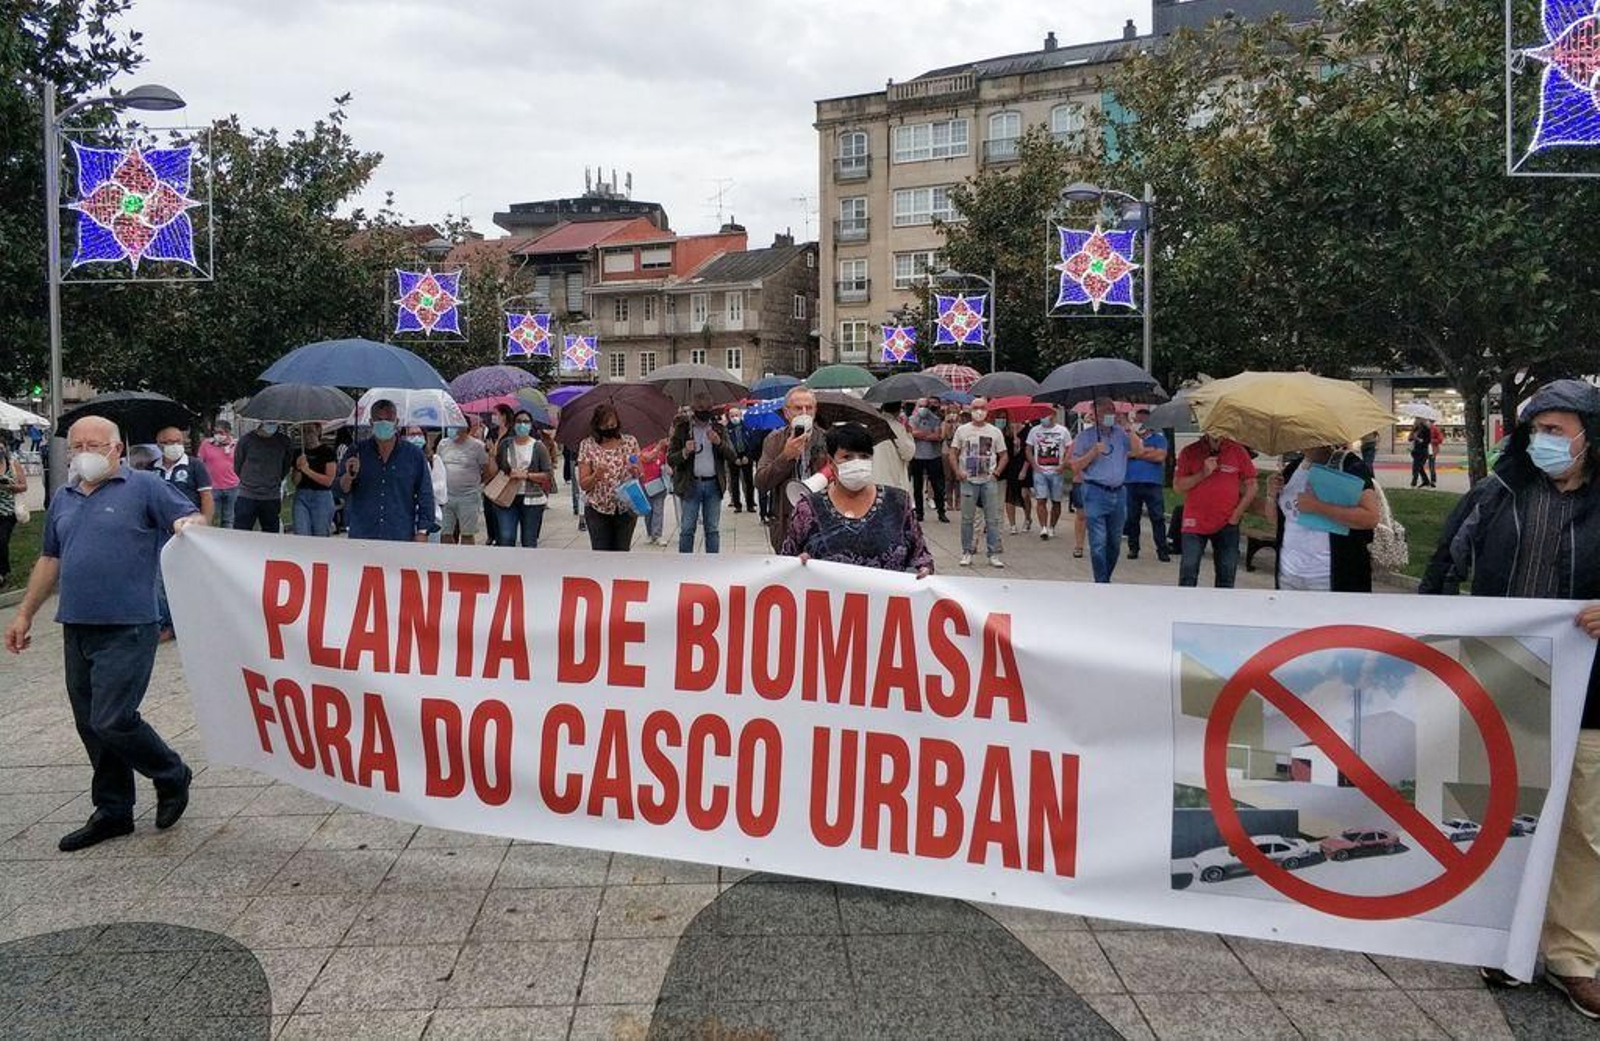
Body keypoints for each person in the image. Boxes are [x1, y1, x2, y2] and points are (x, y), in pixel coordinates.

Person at [1419, 379, 1600, 1020]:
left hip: (1589, 697)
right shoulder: (1499, 495)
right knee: (1501, 813)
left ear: (1590, 436)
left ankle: (1575, 957)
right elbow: (1443, 566)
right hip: (1501, 684)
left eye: (1559, 429)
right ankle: (1501, 935)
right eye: (1536, 430)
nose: (1544, 442)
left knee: (1583, 829)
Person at [5, 416, 202, 851]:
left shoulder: (144, 487)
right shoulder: (65, 496)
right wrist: (24, 614)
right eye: (76, 446)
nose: (83, 452)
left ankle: (171, 773)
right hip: (77, 624)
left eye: (93, 444)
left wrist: (187, 526)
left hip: (129, 624)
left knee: (113, 718)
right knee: (90, 724)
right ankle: (113, 810)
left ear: (117, 448)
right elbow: (49, 560)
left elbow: (192, 517)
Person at [781, 422, 933, 576]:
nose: (857, 462)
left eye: (864, 456)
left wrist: (923, 570)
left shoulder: (899, 503)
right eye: (847, 457)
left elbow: (921, 557)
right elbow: (786, 563)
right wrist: (797, 564)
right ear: (831, 462)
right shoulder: (808, 509)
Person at [1261, 446, 1378, 592]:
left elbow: (1370, 518)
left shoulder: (1349, 466)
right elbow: (1277, 521)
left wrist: (1318, 507)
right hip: (1289, 572)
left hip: (1330, 575)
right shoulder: (1292, 469)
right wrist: (1271, 495)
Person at [1069, 398, 1144, 583]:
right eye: (1105, 411)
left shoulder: (1120, 433)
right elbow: (1075, 466)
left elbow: (1139, 451)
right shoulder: (1085, 437)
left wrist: (1127, 425)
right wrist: (1093, 452)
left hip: (1118, 493)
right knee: (1098, 542)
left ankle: (1106, 577)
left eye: (1112, 410)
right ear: (1094, 414)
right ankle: (1101, 582)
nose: (1110, 414)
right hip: (1095, 491)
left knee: (1114, 542)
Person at [337, 400, 434, 543]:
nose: (383, 423)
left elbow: (425, 494)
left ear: (396, 422)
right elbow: (340, 490)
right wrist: (349, 476)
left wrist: (422, 531)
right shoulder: (356, 452)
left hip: (400, 534)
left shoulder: (414, 455)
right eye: (379, 419)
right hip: (363, 535)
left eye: (388, 419)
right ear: (371, 422)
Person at [151, 427, 213, 640]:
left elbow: (206, 497)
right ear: (159, 444)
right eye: (168, 441)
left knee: (189, 577)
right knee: (159, 580)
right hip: (160, 532)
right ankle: (166, 623)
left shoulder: (195, 466)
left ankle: (193, 620)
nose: (174, 445)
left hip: (189, 531)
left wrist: (205, 524)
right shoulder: (152, 470)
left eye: (178, 440)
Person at [1173, 432, 1256, 588]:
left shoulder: (1237, 451)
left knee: (1227, 573)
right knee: (1188, 570)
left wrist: (1237, 514)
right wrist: (1203, 473)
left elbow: (1252, 485)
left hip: (1227, 521)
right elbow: (1178, 486)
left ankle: (1222, 609)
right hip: (1195, 521)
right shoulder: (1190, 451)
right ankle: (1184, 606)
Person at [756, 386, 830, 552]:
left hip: (821, 522)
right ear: (786, 412)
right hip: (786, 522)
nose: (804, 412)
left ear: (815, 410)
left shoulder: (828, 439)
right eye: (798, 408)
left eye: (809, 408)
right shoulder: (774, 440)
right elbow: (761, 482)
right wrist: (786, 457)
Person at [668, 393, 736, 554]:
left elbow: (732, 455)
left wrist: (719, 443)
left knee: (712, 529)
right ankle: (686, 564)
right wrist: (685, 451)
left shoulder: (719, 428)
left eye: (707, 408)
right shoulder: (683, 429)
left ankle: (711, 564)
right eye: (700, 408)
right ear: (693, 409)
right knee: (687, 528)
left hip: (713, 484)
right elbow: (671, 458)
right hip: (690, 484)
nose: (704, 411)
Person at [949, 396, 1007, 569]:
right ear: (970, 410)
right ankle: (967, 552)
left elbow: (1004, 455)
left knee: (993, 519)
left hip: (988, 480)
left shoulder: (995, 432)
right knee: (967, 518)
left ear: (987, 411)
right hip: (968, 480)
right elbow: (953, 452)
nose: (979, 411)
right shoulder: (962, 430)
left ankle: (993, 553)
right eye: (975, 408)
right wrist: (957, 471)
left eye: (982, 408)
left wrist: (996, 473)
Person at [578, 403, 642, 551]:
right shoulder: (587, 445)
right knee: (601, 553)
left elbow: (640, 473)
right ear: (597, 426)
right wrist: (596, 476)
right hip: (598, 509)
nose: (609, 429)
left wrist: (635, 471)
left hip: (625, 507)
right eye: (605, 426)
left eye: (612, 424)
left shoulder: (629, 442)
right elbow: (583, 484)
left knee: (622, 552)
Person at [492, 410, 554, 548]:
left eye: (526, 422)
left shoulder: (538, 447)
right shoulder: (505, 444)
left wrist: (526, 475)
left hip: (531, 499)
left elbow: (548, 474)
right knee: (506, 537)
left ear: (531, 425)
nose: (522, 425)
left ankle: (528, 568)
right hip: (506, 497)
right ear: (513, 424)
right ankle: (508, 567)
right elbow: (496, 468)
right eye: (519, 421)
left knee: (529, 540)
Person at [1123, 407, 1170, 562]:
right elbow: (1124, 455)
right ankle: (1133, 548)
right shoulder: (1129, 438)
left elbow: (1160, 457)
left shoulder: (1159, 438)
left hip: (1152, 483)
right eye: (1139, 418)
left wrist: (1137, 453)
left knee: (1157, 518)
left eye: (1145, 419)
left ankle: (1162, 550)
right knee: (1132, 518)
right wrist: (1147, 451)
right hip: (1131, 482)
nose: (1141, 421)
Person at [437, 419, 492, 544]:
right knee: (445, 533)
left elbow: (486, 470)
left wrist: (476, 484)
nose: (451, 428)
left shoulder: (478, 446)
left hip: (468, 497)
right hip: (446, 496)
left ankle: (466, 561)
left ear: (465, 428)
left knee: (467, 533)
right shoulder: (443, 444)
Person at [232, 421, 294, 532]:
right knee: (241, 532)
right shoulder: (246, 440)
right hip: (247, 494)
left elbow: (286, 466)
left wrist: (275, 480)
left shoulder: (284, 442)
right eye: (269, 422)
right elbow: (238, 465)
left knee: (270, 533)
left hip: (271, 495)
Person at [1026, 408, 1072, 540]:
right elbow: (1028, 449)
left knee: (1056, 501)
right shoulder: (1034, 431)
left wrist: (1064, 464)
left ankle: (1052, 526)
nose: (1044, 417)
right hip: (1040, 471)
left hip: (1057, 471)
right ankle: (1043, 527)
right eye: (1042, 415)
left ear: (1053, 415)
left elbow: (1069, 448)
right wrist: (1034, 465)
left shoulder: (1062, 431)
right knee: (1041, 499)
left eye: (1047, 414)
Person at [289, 424, 336, 537]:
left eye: (310, 431)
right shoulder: (298, 453)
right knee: (301, 533)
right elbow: (295, 481)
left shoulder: (327, 452)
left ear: (318, 431)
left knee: (320, 535)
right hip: (302, 495)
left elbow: (328, 480)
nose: (307, 435)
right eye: (303, 432)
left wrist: (307, 470)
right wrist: (299, 469)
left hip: (321, 496)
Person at [908, 398, 949, 524]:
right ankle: (919, 513)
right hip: (917, 457)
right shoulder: (912, 419)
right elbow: (912, 433)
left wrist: (921, 434)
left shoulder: (935, 419)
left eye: (926, 405)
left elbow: (937, 436)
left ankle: (941, 512)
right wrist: (928, 434)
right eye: (921, 405)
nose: (923, 408)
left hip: (933, 457)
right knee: (917, 486)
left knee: (938, 486)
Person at [197, 420, 240, 528]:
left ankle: (227, 542)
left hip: (232, 487)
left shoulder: (236, 445)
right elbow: (199, 464)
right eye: (215, 432)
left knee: (229, 519)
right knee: (211, 519)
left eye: (221, 433)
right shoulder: (206, 444)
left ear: (228, 432)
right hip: (212, 488)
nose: (218, 435)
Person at [0, 439, 27, 589]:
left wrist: (11, 486)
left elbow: (24, 486)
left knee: (2, 540)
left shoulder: (13, 464)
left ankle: (3, 572)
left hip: (9, 511)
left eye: (1, 447)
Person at [998, 416, 1031, 535]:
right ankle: (1012, 524)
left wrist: (1024, 469)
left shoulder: (1027, 431)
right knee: (1009, 495)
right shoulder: (1004, 432)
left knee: (1024, 494)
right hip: (1010, 466)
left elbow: (1028, 451)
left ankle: (1028, 518)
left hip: (1023, 465)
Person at [726, 406, 760, 515]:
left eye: (736, 415)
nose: (734, 417)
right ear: (728, 417)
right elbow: (726, 447)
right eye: (732, 416)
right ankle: (737, 505)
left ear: (741, 416)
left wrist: (748, 456)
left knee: (749, 482)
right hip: (733, 459)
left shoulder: (747, 427)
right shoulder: (727, 429)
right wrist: (734, 458)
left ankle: (750, 504)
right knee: (734, 483)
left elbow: (752, 443)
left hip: (746, 457)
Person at [639, 437, 671, 545]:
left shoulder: (666, 449)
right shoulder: (646, 446)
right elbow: (646, 458)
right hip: (646, 483)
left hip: (659, 484)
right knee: (648, 511)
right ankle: (649, 534)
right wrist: (658, 447)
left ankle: (657, 535)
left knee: (658, 510)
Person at [1410, 418, 1434, 488]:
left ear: (1421, 420)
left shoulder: (1426, 429)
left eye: (1417, 419)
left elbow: (1428, 441)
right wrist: (1412, 435)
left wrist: (1419, 439)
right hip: (1415, 451)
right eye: (1415, 419)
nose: (1415, 421)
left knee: (1416, 467)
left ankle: (1413, 483)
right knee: (1419, 467)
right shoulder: (1415, 429)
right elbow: (1410, 439)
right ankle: (1426, 481)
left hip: (1423, 451)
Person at [1429, 419, 1445, 486]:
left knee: (1431, 466)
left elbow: (1440, 440)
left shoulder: (1435, 429)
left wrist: (1431, 440)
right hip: (1423, 449)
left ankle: (1433, 480)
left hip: (1432, 450)